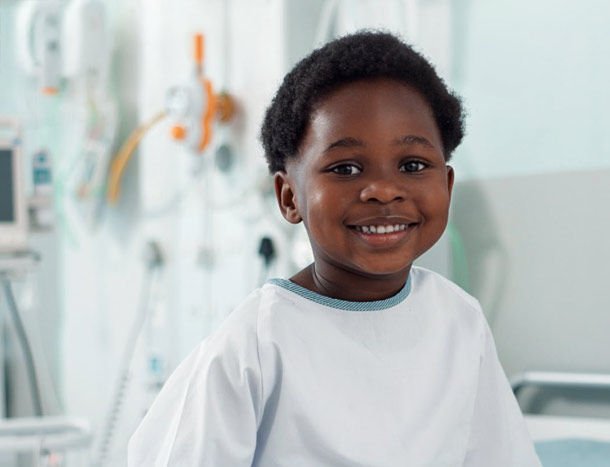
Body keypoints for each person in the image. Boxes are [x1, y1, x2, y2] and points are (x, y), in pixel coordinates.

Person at [128, 31, 541, 466]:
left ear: (448, 184)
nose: (383, 190)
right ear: (290, 198)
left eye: (413, 165)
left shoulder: (459, 321)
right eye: (345, 168)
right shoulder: (257, 343)